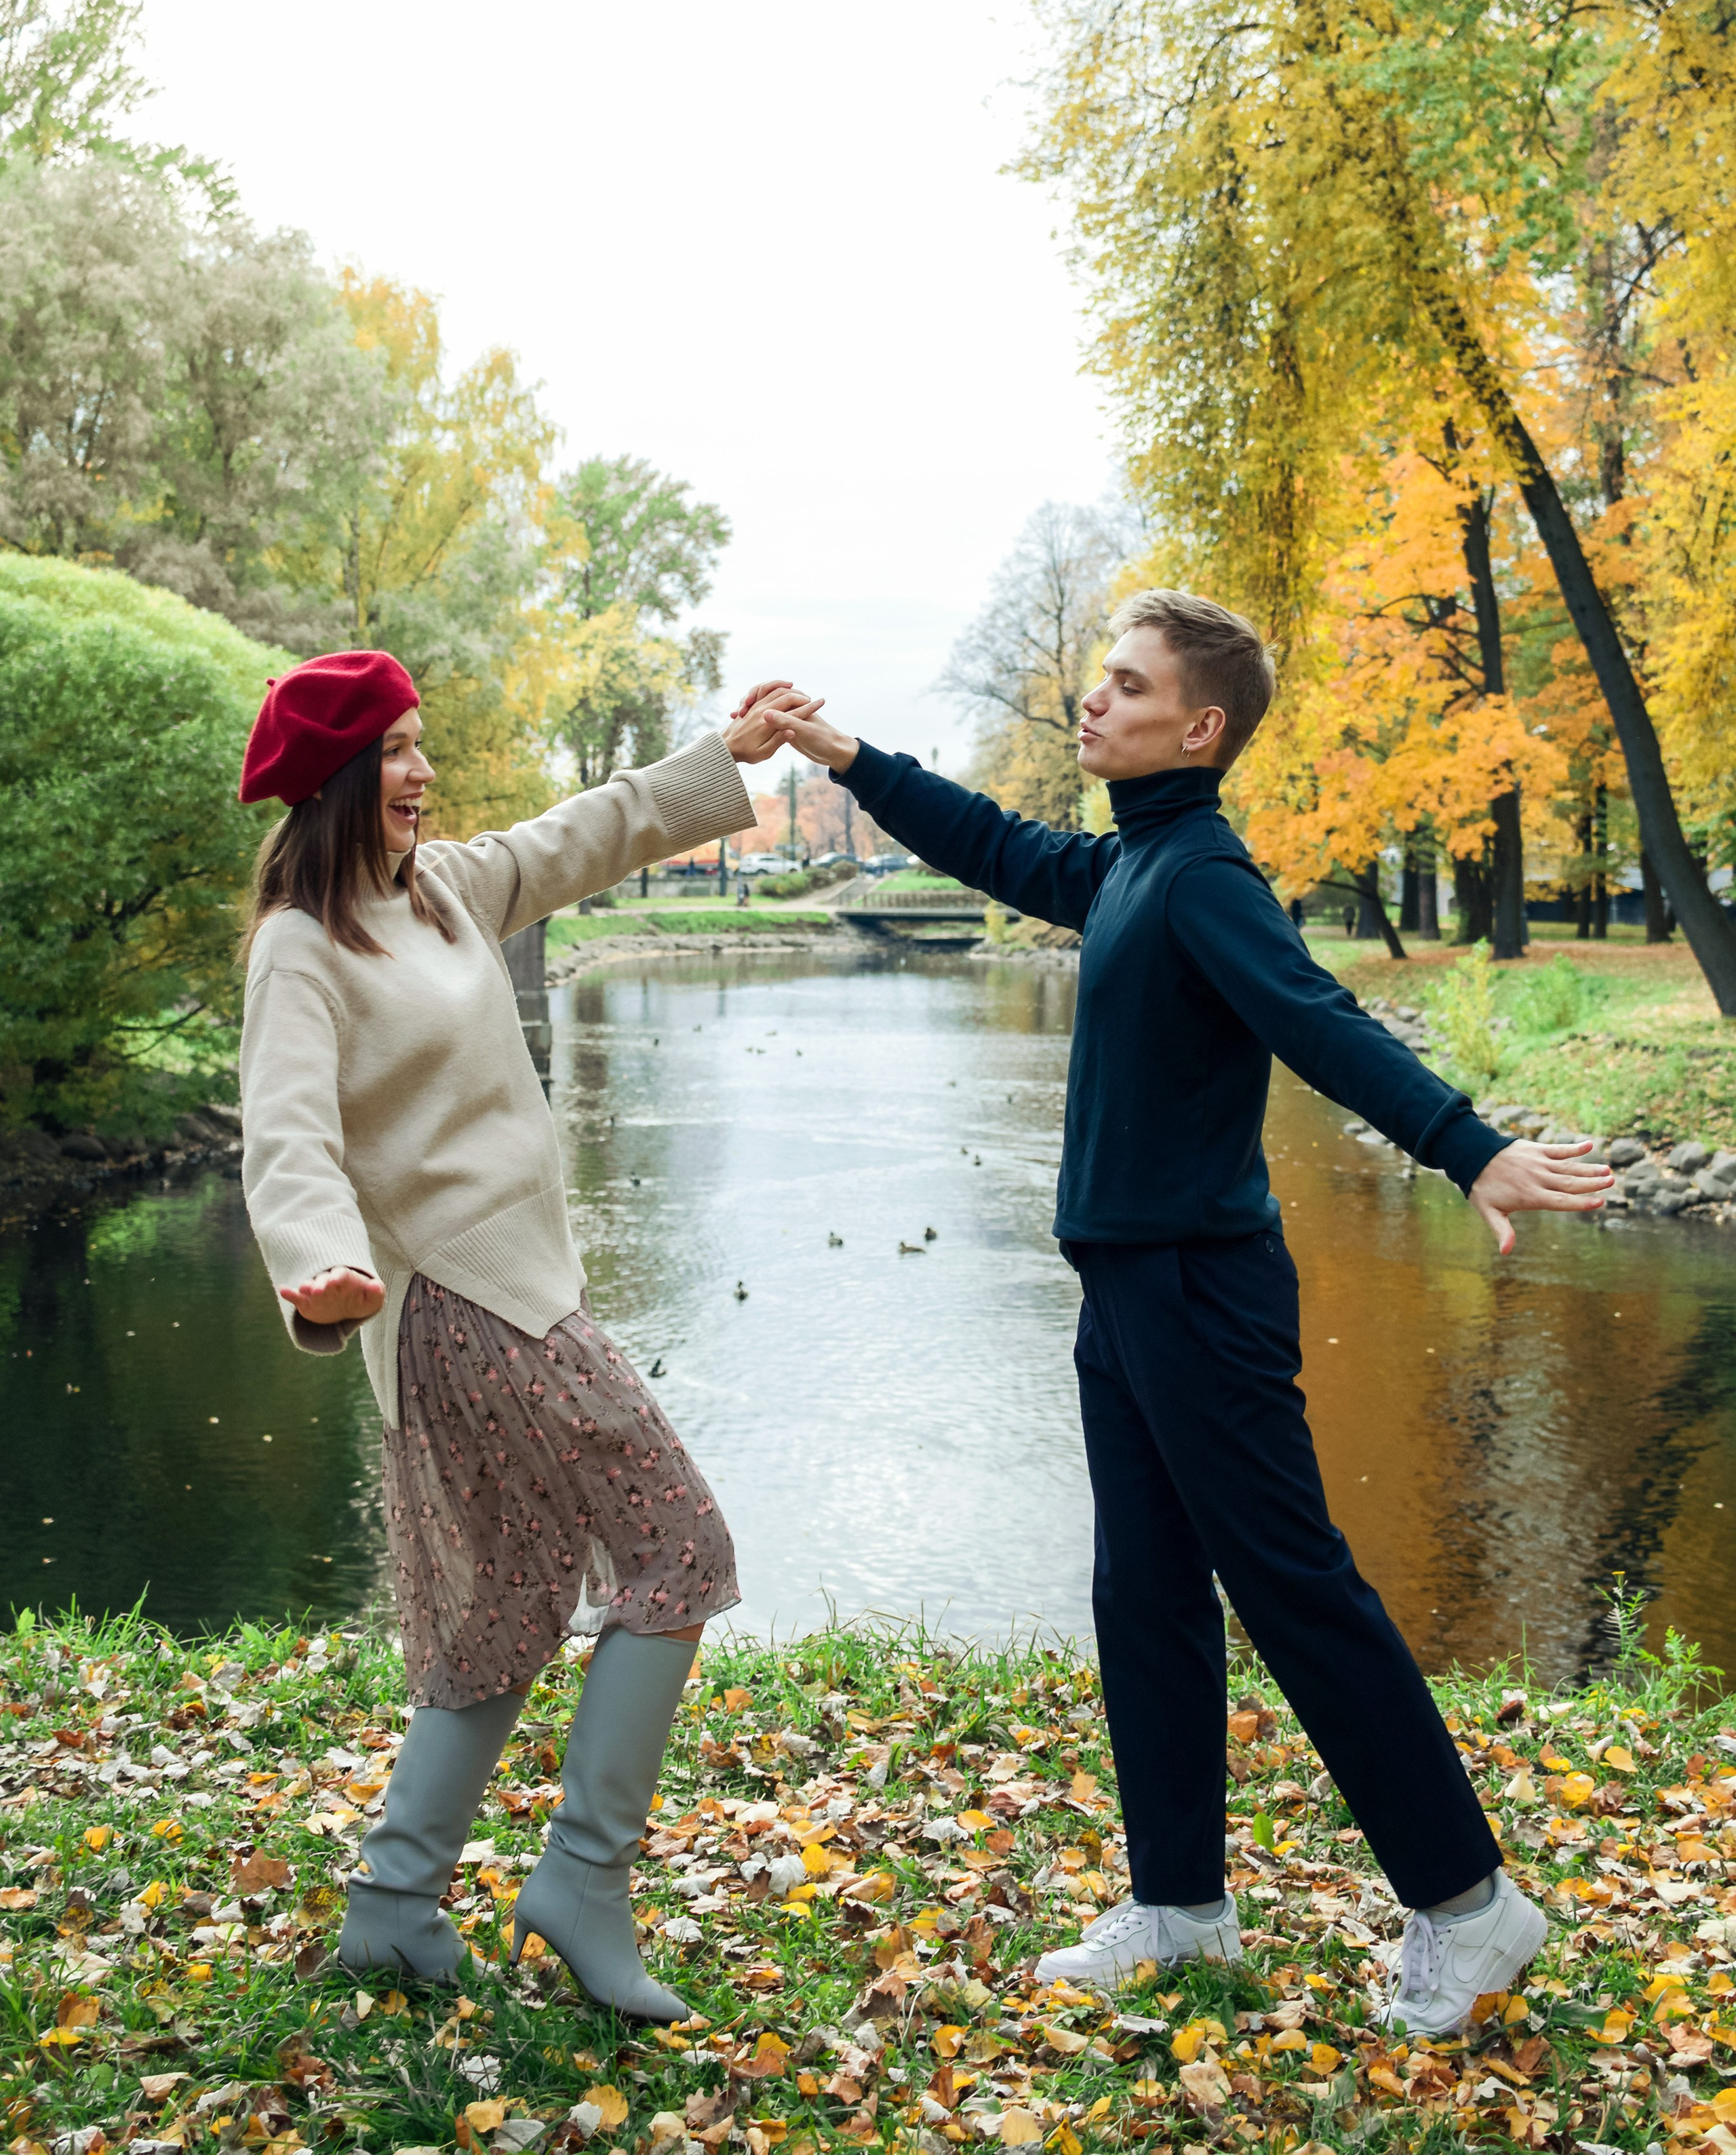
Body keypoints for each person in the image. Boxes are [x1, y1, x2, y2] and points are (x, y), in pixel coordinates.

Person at [755, 591, 1609, 2038]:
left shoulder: (1203, 875)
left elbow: (1313, 1017)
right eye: (1099, 679)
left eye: (1125, 684)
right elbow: (995, 845)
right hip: (1128, 1282)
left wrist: (1465, 1147)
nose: (1093, 700)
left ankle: (1469, 1909)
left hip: (1200, 1293)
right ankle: (1176, 1907)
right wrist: (846, 754)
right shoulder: (1133, 860)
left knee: (1292, 1590)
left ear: (1196, 726)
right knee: (1139, 1594)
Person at [237, 648, 814, 2010]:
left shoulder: (441, 893)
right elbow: (287, 1135)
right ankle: (582, 1879)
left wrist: (719, 757)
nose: (421, 771)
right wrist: (318, 1264)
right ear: (328, 782)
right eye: (391, 753)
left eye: (421, 746)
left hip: (522, 1289)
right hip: (460, 1302)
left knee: (508, 1602)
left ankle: (393, 1898)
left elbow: (583, 834)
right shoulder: (301, 950)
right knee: (680, 1549)